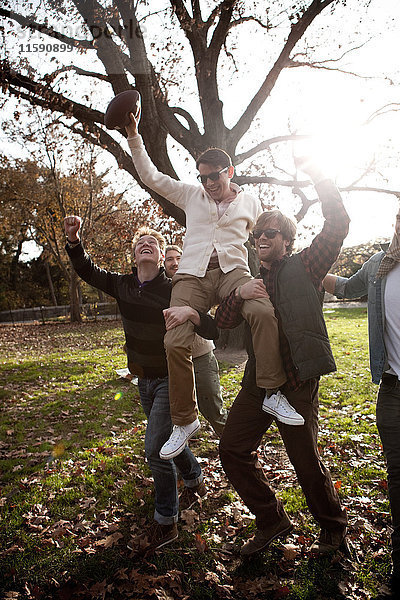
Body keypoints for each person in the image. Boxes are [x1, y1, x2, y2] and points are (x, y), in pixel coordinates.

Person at [126, 112, 304, 462]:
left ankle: (271, 391)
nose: (207, 183)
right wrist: (133, 133)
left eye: (213, 176)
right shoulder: (191, 196)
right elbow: (149, 175)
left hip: (231, 273)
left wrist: (275, 264)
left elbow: (272, 234)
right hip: (192, 277)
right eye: (202, 177)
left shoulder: (251, 203)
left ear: (229, 172)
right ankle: (185, 421)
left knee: (262, 310)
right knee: (174, 339)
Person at [215, 158, 350, 556]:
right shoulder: (252, 283)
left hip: (297, 381)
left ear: (286, 240)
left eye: (270, 233)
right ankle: (272, 519)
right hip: (258, 383)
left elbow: (338, 225)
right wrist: (239, 293)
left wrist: (320, 174)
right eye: (257, 235)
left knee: (306, 462)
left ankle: (333, 532)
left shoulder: (306, 265)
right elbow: (222, 322)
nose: (261, 239)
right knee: (231, 450)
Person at [64, 217, 217, 552]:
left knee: (155, 450)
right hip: (142, 381)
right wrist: (74, 241)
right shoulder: (123, 285)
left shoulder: (175, 289)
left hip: (170, 381)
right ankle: (193, 477)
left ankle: (167, 521)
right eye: (140, 244)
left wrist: (192, 315)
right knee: (165, 443)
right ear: (134, 256)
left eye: (153, 244)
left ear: (162, 256)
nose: (146, 246)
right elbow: (87, 270)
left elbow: (211, 327)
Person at [323, 208, 400, 599]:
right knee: (397, 474)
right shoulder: (379, 266)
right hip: (393, 389)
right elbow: (345, 288)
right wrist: (305, 266)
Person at [164, 245, 227, 437]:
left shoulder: (196, 281)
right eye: (169, 259)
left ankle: (237, 446)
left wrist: (192, 314)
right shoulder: (160, 287)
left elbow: (214, 325)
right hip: (174, 359)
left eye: (178, 258)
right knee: (174, 419)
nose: (175, 263)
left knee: (214, 411)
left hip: (201, 355)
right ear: (163, 263)